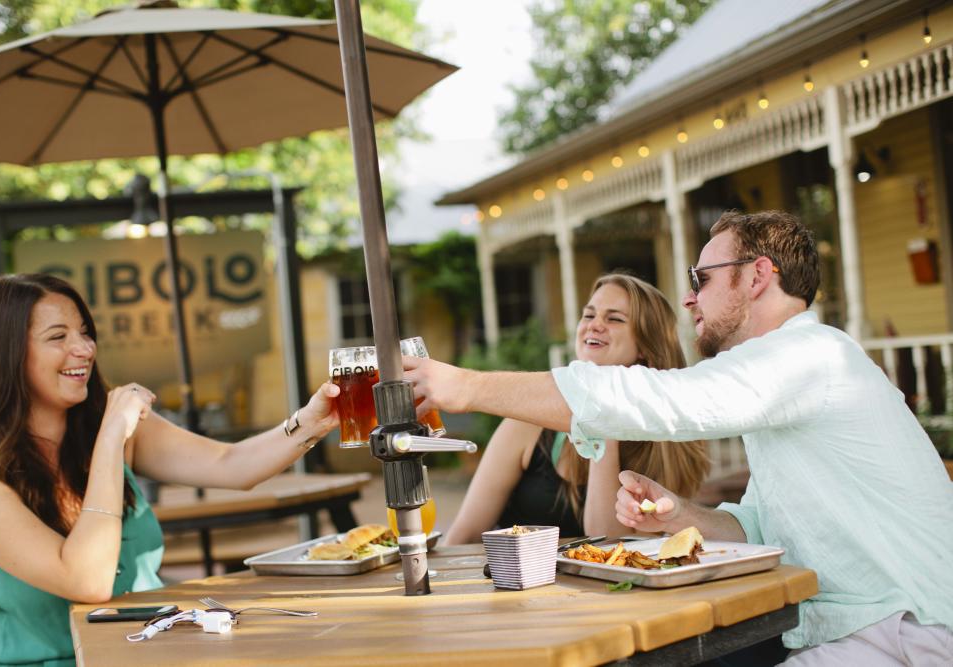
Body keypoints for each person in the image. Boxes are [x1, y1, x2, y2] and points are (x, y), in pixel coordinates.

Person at [404, 211, 953, 664]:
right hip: (842, 626)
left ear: (757, 276)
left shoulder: (810, 357)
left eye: (702, 279)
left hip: (903, 633)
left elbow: (665, 400)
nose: (690, 299)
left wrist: (466, 386)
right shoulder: (787, 378)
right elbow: (757, 524)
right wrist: (680, 516)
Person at [0, 273, 339, 667]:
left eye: (85, 333)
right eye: (58, 337)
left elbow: (233, 465)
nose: (84, 349)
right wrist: (111, 438)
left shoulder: (108, 427)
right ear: (8, 353)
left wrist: (312, 421)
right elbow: (86, 581)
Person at [445, 273, 709, 544]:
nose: (594, 326)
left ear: (645, 345)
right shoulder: (528, 423)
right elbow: (462, 536)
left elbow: (609, 543)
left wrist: (605, 412)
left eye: (614, 318)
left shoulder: (670, 441)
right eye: (589, 315)